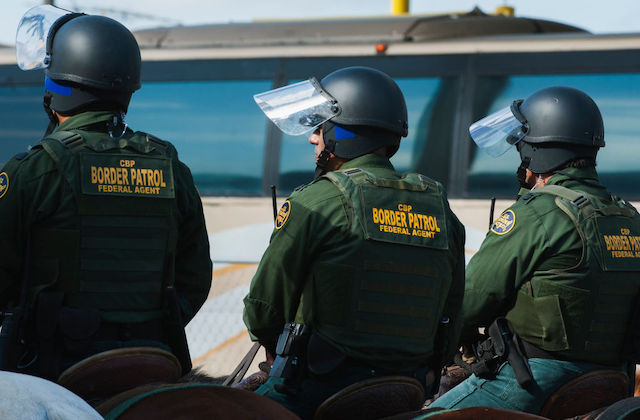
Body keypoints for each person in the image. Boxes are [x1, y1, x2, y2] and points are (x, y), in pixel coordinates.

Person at [0, 5, 212, 381]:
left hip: (50, 365)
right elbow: (194, 279)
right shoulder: (171, 167)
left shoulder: (33, 169)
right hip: (154, 357)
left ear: (56, 89)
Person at [244, 66, 466, 419]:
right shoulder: (440, 209)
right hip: (406, 388)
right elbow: (452, 313)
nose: (312, 138)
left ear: (342, 133)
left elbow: (263, 308)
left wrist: (274, 349)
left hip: (318, 388)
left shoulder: (315, 202)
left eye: (320, 128)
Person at [430, 86, 640, 413]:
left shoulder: (537, 214)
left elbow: (470, 303)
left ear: (538, 151)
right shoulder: (628, 217)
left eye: (522, 149)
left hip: (536, 379)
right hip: (612, 379)